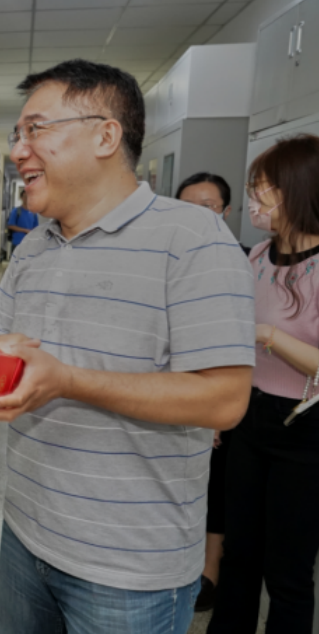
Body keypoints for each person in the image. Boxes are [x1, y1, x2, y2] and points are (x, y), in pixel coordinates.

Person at [0, 59, 255, 634]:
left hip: (131, 568)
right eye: (18, 133)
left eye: (37, 129)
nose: (19, 150)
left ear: (106, 136)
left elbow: (224, 400)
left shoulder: (193, 239)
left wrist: (68, 380)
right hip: (24, 532)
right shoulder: (34, 247)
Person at [208, 134, 319, 634]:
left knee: (288, 571)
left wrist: (269, 335)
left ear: (297, 189)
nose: (255, 198)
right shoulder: (256, 257)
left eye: (264, 187)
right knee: (240, 555)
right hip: (249, 417)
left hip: (304, 427)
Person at [174, 172, 236, 612]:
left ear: (225, 212)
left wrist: (213, 410)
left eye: (207, 207)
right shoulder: (167, 260)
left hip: (224, 395)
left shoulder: (241, 262)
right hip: (178, 394)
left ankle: (210, 567)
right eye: (185, 207)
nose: (196, 217)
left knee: (219, 484)